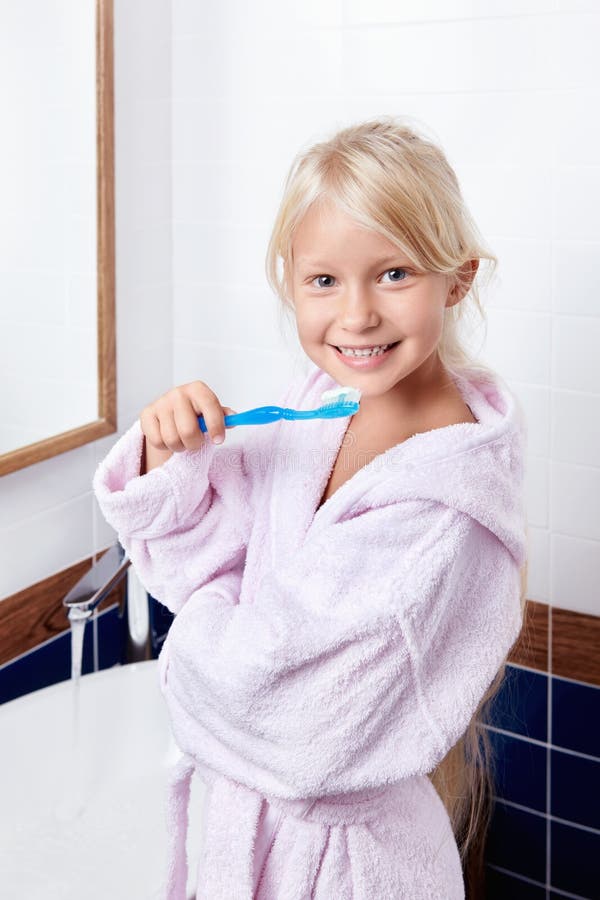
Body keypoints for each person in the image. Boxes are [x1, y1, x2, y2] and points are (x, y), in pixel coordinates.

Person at [93, 116, 529, 899]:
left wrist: (199, 635)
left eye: (394, 274)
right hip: (255, 849)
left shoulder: (446, 508)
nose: (356, 316)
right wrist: (172, 464)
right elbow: (211, 562)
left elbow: (293, 723)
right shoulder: (321, 406)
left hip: (344, 873)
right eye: (324, 281)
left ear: (456, 278)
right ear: (291, 281)